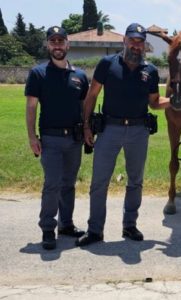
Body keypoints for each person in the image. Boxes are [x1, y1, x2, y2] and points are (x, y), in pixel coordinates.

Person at [76, 23, 170, 247]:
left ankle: (129, 225)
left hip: (138, 130)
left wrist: (175, 103)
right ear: (124, 41)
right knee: (99, 182)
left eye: (140, 41)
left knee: (135, 181)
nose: (136, 45)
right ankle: (95, 230)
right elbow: (92, 96)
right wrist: (86, 125)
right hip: (109, 129)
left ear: (144, 45)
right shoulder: (107, 64)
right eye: (133, 40)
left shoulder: (150, 70)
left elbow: (155, 103)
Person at [25, 26, 89, 250]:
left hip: (74, 139)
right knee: (52, 184)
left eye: (61, 41)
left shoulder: (80, 76)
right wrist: (32, 136)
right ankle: (47, 229)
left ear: (68, 45)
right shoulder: (38, 73)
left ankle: (66, 224)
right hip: (50, 139)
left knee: (68, 184)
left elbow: (83, 106)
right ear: (48, 45)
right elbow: (31, 107)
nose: (58, 45)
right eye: (53, 41)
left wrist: (87, 130)